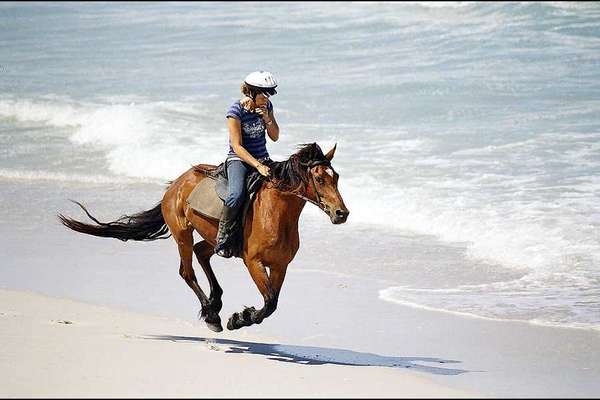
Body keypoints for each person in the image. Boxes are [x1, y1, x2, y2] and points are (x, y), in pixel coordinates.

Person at [214, 70, 280, 258]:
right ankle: (223, 236)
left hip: (263, 157)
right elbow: (236, 146)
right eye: (263, 94)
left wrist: (267, 117)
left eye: (269, 94)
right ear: (251, 92)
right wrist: (257, 166)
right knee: (236, 195)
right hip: (239, 159)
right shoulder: (235, 111)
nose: (266, 98)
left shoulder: (267, 106)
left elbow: (275, 136)